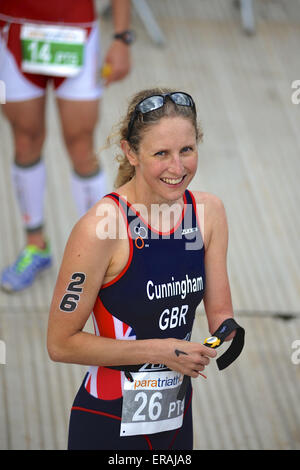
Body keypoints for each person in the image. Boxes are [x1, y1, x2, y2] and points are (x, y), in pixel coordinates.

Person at [47, 87, 237, 450]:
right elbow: (60, 343)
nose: (177, 169)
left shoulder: (208, 213)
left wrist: (226, 331)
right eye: (161, 154)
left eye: (187, 150)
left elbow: (221, 315)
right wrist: (160, 351)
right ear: (130, 152)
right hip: (108, 420)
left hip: (176, 417)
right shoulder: (102, 227)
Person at [0, 0, 133, 292]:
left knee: (81, 145)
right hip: (13, 27)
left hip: (76, 28)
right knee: (25, 140)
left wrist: (122, 37)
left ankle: (101, 254)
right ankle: (35, 246)